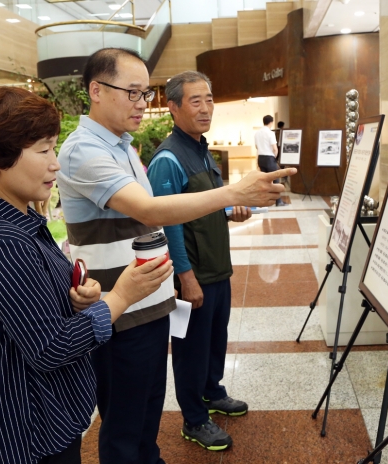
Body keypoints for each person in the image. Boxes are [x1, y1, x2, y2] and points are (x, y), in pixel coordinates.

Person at [56, 48, 295, 464]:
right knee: (125, 423)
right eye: (131, 93)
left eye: (144, 93)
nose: (140, 103)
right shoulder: (83, 150)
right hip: (119, 308)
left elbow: (152, 220)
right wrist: (234, 193)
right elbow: (150, 211)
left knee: (147, 411)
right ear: (96, 90)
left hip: (147, 301)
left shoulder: (123, 146)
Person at [0, 86, 174, 464]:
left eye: (53, 148)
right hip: (29, 430)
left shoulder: (18, 221)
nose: (55, 164)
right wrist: (121, 297)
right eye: (42, 150)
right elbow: (50, 347)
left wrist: (77, 300)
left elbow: (28, 313)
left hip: (45, 416)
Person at [148, 71, 249, 452]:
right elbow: (167, 222)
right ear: (173, 108)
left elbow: (202, 206)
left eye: (209, 99)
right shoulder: (168, 159)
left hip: (216, 268)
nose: (206, 108)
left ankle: (212, 392)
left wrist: (228, 212)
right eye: (195, 101)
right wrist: (184, 276)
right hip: (193, 273)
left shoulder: (201, 148)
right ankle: (193, 419)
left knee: (215, 338)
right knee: (190, 347)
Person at [255, 114, 286, 206]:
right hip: (269, 158)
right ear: (271, 122)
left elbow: (256, 147)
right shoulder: (270, 133)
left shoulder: (257, 133)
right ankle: (278, 201)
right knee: (276, 179)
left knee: (265, 180)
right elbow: (275, 148)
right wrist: (275, 158)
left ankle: (265, 200)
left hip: (261, 158)